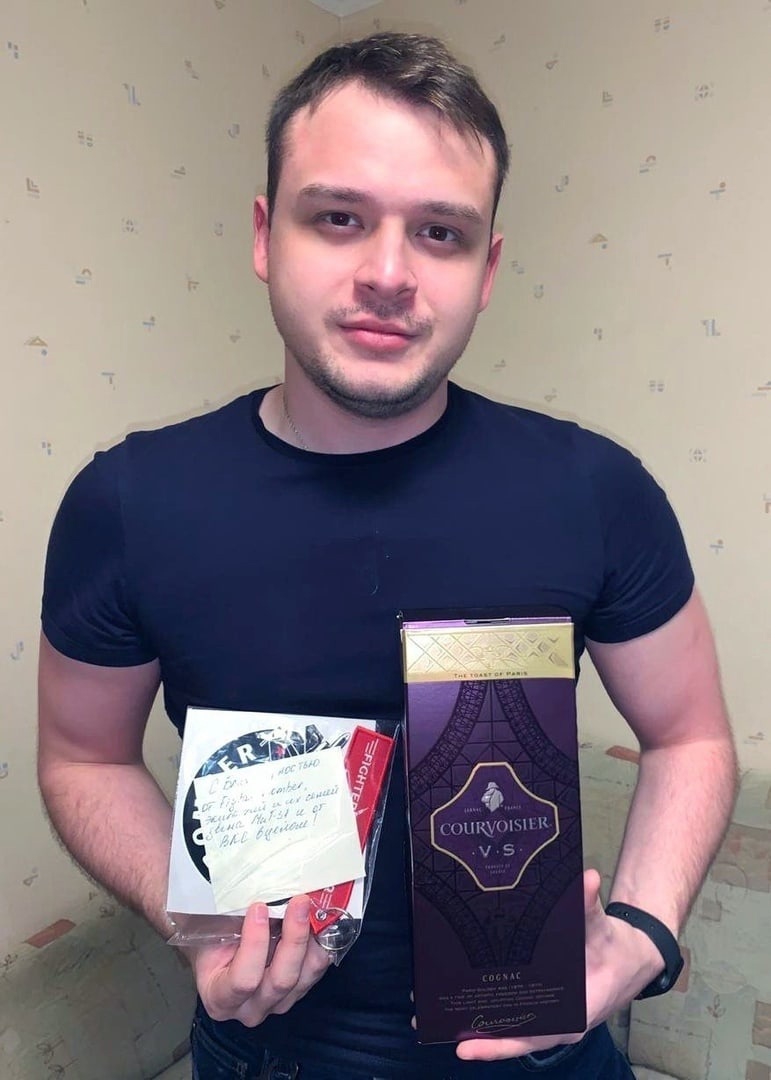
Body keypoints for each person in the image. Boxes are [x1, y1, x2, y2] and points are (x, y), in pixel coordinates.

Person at [38, 31, 736, 1080]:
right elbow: (83, 758)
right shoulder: (128, 505)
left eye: (440, 233)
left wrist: (644, 931)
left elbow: (690, 736)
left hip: (545, 1054)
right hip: (269, 1056)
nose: (388, 274)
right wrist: (195, 926)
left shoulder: (596, 491)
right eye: (339, 217)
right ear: (266, 237)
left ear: (486, 269)